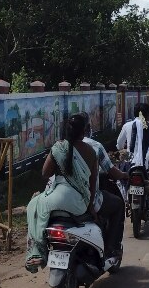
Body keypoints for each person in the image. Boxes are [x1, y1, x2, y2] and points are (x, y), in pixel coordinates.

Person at [25, 113, 97, 273]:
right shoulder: (91, 151)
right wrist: (90, 207)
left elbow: (45, 173)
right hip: (79, 204)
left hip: (55, 199)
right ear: (84, 131)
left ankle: (36, 251)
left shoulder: (58, 148)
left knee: (33, 206)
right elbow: (92, 185)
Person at [79, 113, 128, 270]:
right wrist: (124, 175)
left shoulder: (60, 146)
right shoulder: (94, 146)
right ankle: (111, 248)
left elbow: (46, 175)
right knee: (118, 205)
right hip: (88, 200)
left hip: (64, 199)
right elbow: (109, 172)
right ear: (87, 128)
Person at [116, 103, 149, 213]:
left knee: (120, 177)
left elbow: (118, 145)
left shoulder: (127, 125)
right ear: (147, 114)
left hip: (130, 164)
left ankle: (125, 200)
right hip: (146, 166)